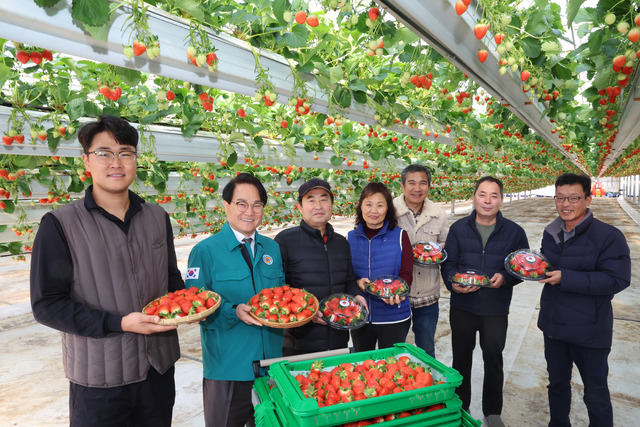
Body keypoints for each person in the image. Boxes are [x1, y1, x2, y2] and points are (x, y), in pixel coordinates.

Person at [30, 115, 183, 426]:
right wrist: (119, 323)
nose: (117, 162)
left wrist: (190, 305)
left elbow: (170, 279)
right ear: (86, 161)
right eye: (104, 153)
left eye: (126, 153)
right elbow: (47, 305)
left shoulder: (156, 217)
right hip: (99, 381)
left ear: (136, 160)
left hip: (158, 371)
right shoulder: (60, 225)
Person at [185, 173, 285, 427]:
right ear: (226, 205)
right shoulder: (204, 251)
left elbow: (280, 296)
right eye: (241, 203)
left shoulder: (271, 248)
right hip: (229, 369)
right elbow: (196, 307)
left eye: (257, 205)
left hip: (271, 366)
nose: (249, 211)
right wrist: (233, 311)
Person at [538, 173, 630, 427]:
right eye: (560, 198)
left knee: (595, 391)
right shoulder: (550, 231)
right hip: (554, 326)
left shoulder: (609, 236)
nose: (566, 204)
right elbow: (548, 266)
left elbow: (617, 280)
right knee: (556, 384)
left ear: (588, 200)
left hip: (590, 330)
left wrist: (565, 278)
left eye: (573, 198)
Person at [441, 176, 529, 427]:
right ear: (474, 197)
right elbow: (450, 264)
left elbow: (522, 267)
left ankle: (493, 412)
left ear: (501, 199)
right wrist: (452, 282)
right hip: (463, 308)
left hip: (495, 308)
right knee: (461, 359)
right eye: (482, 194)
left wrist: (507, 278)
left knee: (493, 358)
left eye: (494, 195)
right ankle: (461, 406)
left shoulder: (514, 232)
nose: (487, 201)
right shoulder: (458, 229)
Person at [275, 178, 363, 356]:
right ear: (299, 207)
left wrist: (357, 295)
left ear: (331, 205)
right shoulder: (284, 241)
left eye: (324, 199)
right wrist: (307, 312)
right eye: (311, 199)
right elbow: (277, 290)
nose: (318, 205)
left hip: (339, 338)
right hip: (299, 343)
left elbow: (348, 279)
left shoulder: (341, 243)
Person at [347, 182, 413, 351]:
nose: (374, 211)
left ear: (388, 209)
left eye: (380, 205)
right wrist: (357, 283)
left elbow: (406, 273)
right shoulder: (351, 238)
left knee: (391, 365)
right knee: (362, 365)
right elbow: (347, 274)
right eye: (368, 204)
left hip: (393, 315)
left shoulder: (400, 236)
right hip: (360, 315)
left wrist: (399, 291)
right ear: (361, 207)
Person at [393, 164, 448, 357]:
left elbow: (444, 245)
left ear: (429, 186)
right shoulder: (389, 212)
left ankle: (428, 385)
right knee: (394, 350)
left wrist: (437, 252)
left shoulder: (439, 215)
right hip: (396, 297)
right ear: (402, 186)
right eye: (412, 183)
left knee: (426, 350)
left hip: (427, 296)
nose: (417, 188)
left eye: (422, 183)